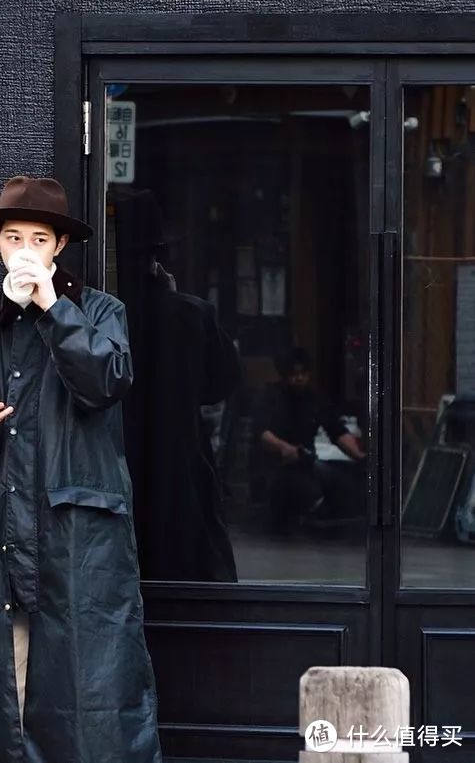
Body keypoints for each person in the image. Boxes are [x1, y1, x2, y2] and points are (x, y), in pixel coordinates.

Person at [0, 176, 162, 763]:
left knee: (91, 687)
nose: (27, 249)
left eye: (40, 238)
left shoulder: (102, 311)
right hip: (4, 533)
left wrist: (52, 306)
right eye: (14, 238)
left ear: (58, 247)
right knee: (10, 681)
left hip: (78, 537)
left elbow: (105, 383)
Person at [111, 188, 241, 582]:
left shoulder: (100, 315)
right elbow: (221, 384)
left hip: (115, 455)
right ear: (156, 257)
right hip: (180, 455)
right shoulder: (191, 313)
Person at [254, 347, 366, 533]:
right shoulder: (271, 397)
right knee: (302, 487)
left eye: (303, 373)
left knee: (343, 481)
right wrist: (284, 448)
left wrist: (359, 456)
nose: (299, 378)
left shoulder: (314, 399)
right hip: (276, 465)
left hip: (306, 462)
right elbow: (262, 433)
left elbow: (337, 431)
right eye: (294, 374)